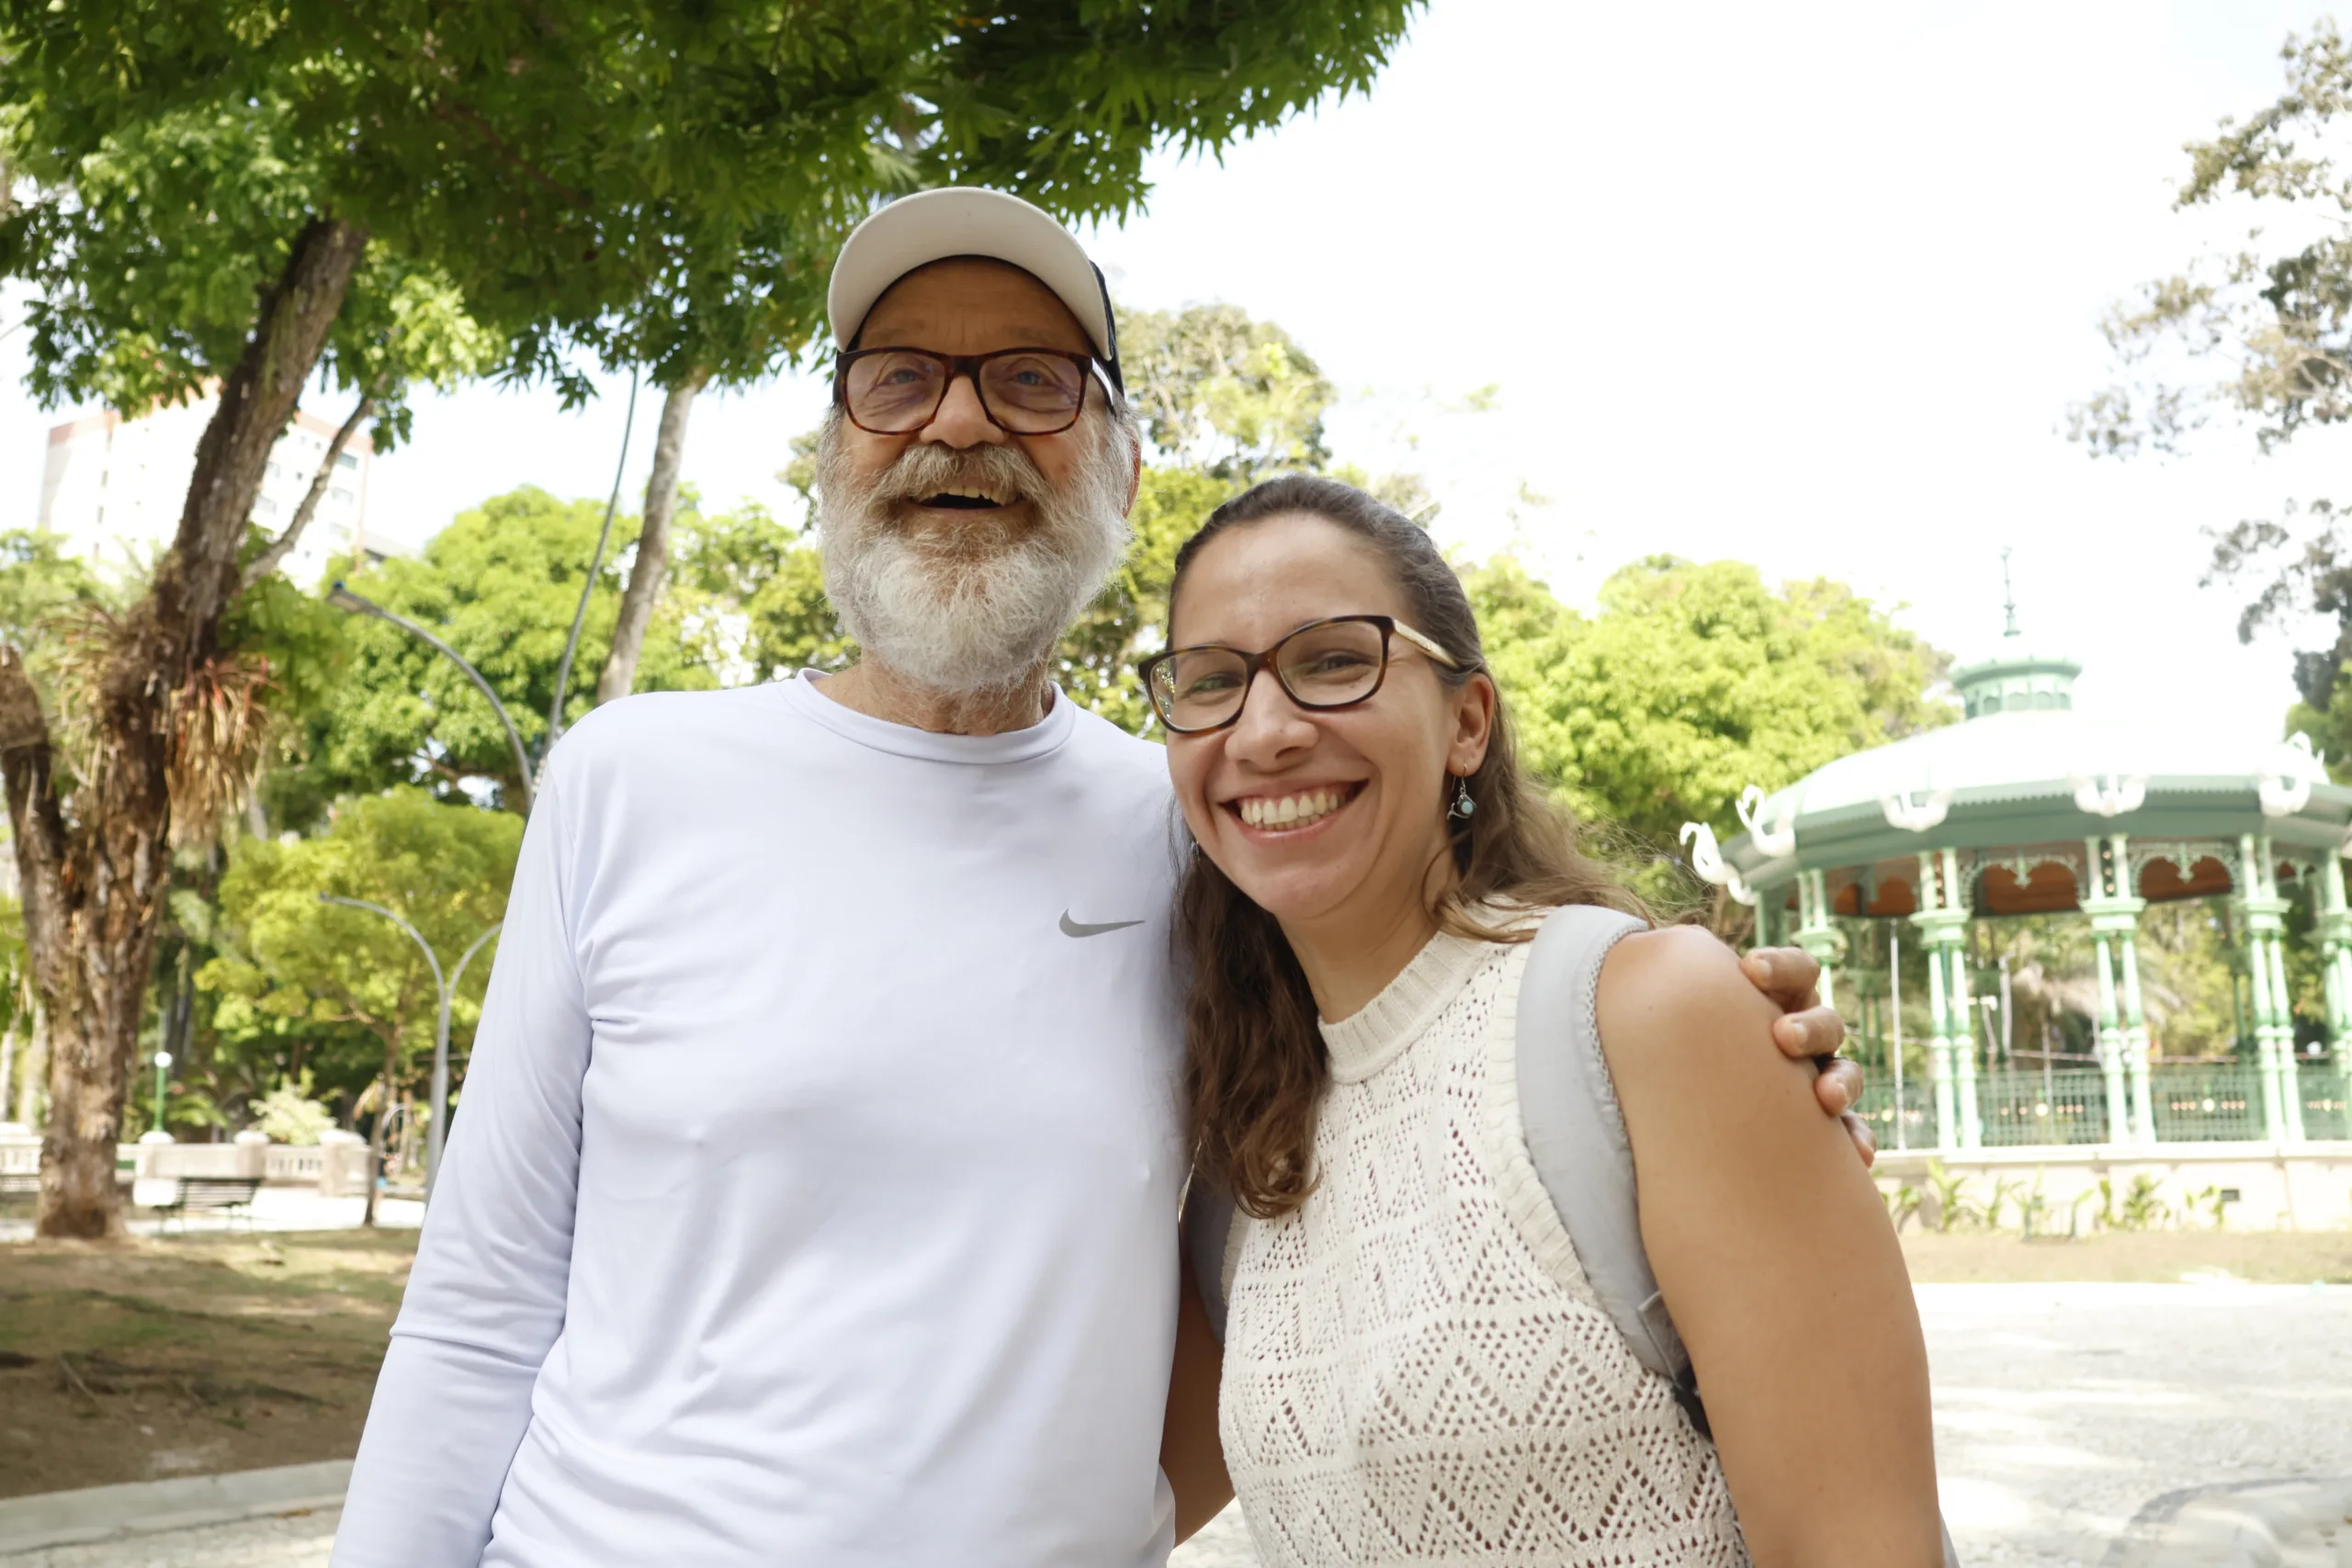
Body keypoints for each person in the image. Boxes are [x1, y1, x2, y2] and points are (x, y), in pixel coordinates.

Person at [331, 188, 1872, 1568]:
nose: (957, 424)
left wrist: (1718, 1041)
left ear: (1121, 470)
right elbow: (478, 1309)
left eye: (1030, 380)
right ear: (832, 448)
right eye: (899, 377)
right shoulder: (631, 778)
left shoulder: (1212, 827)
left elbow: (1362, 1153)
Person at [1151, 474, 1943, 1567]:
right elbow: (1090, 1501)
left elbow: (1858, 1544)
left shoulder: (1645, 1017)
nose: (1267, 730)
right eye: (1210, 683)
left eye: (1334, 660)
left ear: (1466, 722)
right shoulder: (1247, 1150)